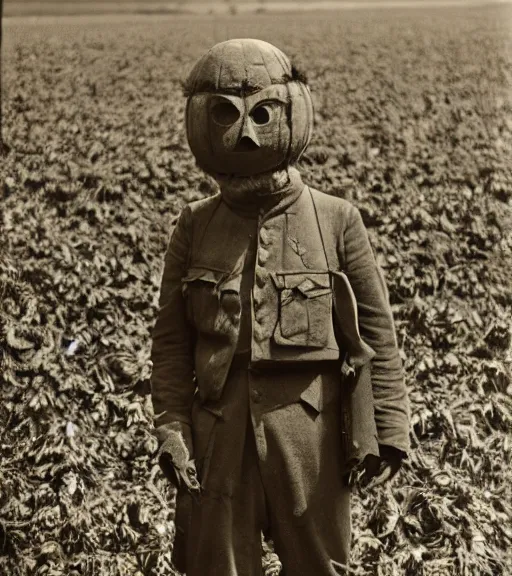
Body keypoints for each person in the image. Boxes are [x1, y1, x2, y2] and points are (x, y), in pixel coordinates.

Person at [150, 38, 411, 576]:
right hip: (217, 441)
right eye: (225, 114)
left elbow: (377, 336)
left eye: (262, 113)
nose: (245, 133)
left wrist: (388, 432)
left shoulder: (338, 220)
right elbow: (172, 345)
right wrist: (172, 430)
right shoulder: (194, 225)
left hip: (311, 439)